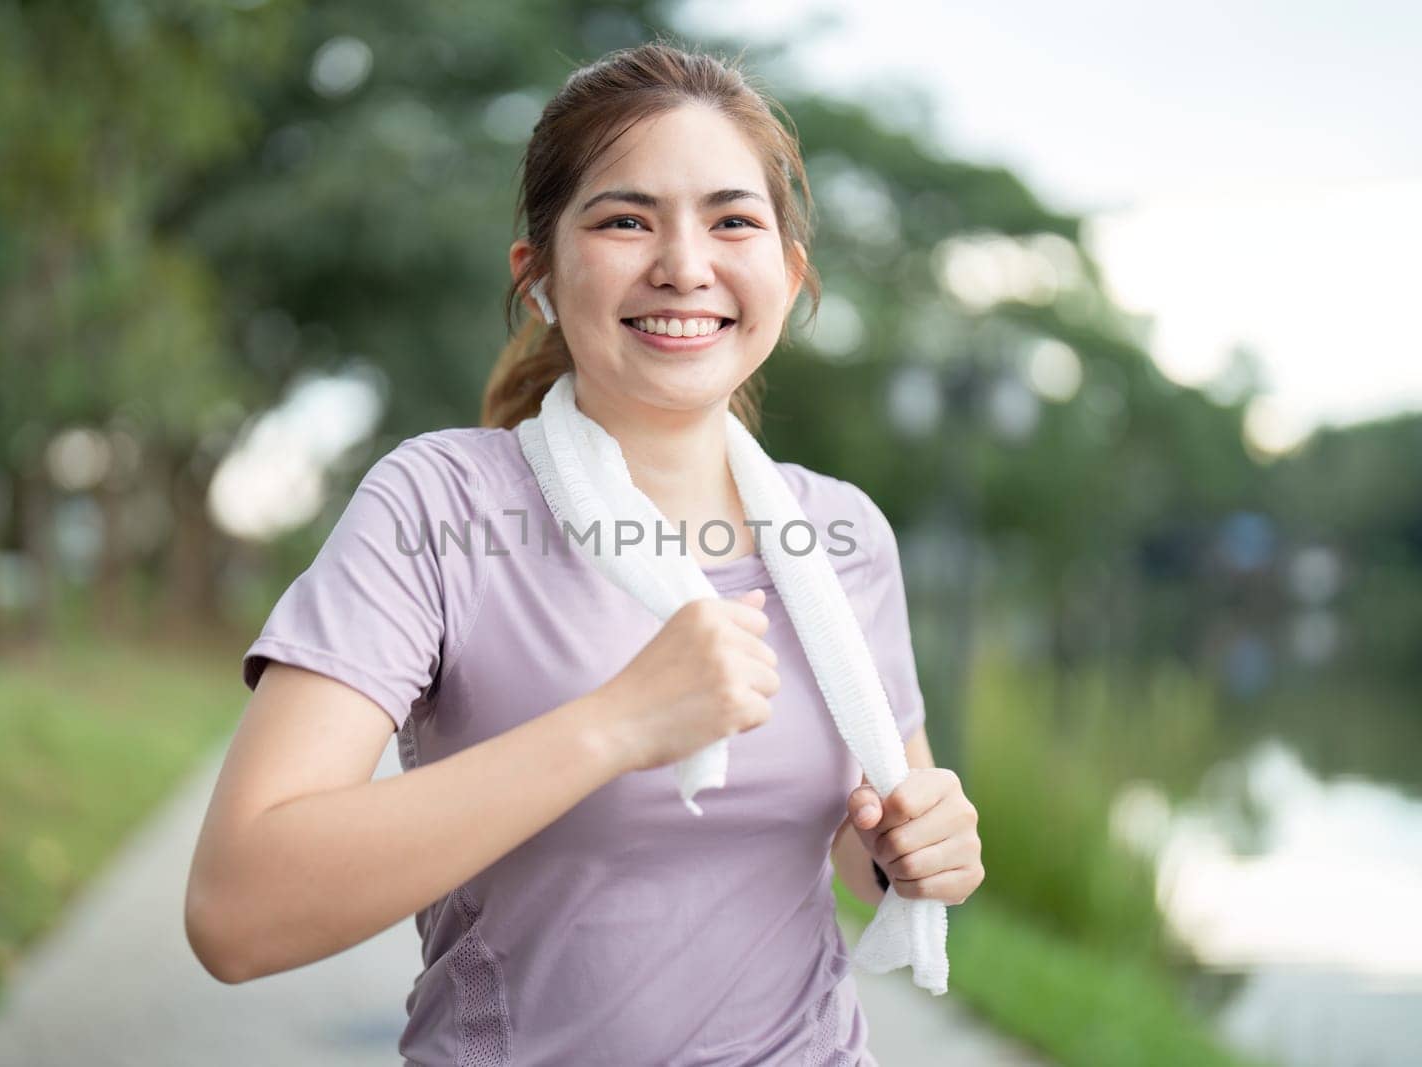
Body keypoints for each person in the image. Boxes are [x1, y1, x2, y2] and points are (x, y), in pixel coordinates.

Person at [185, 40, 983, 1066]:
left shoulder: (843, 537)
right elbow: (237, 906)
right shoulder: (439, 505)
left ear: (786, 273)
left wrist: (915, 852)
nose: (685, 265)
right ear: (541, 276)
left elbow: (857, 840)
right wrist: (613, 725)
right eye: (624, 219)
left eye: (732, 219)